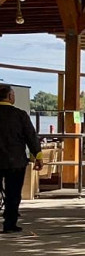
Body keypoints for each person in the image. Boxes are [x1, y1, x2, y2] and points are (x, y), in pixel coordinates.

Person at [0, 84, 42, 234]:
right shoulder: (20, 115)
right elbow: (31, 136)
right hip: (15, 161)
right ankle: (9, 224)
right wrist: (38, 156)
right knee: (13, 193)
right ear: (10, 96)